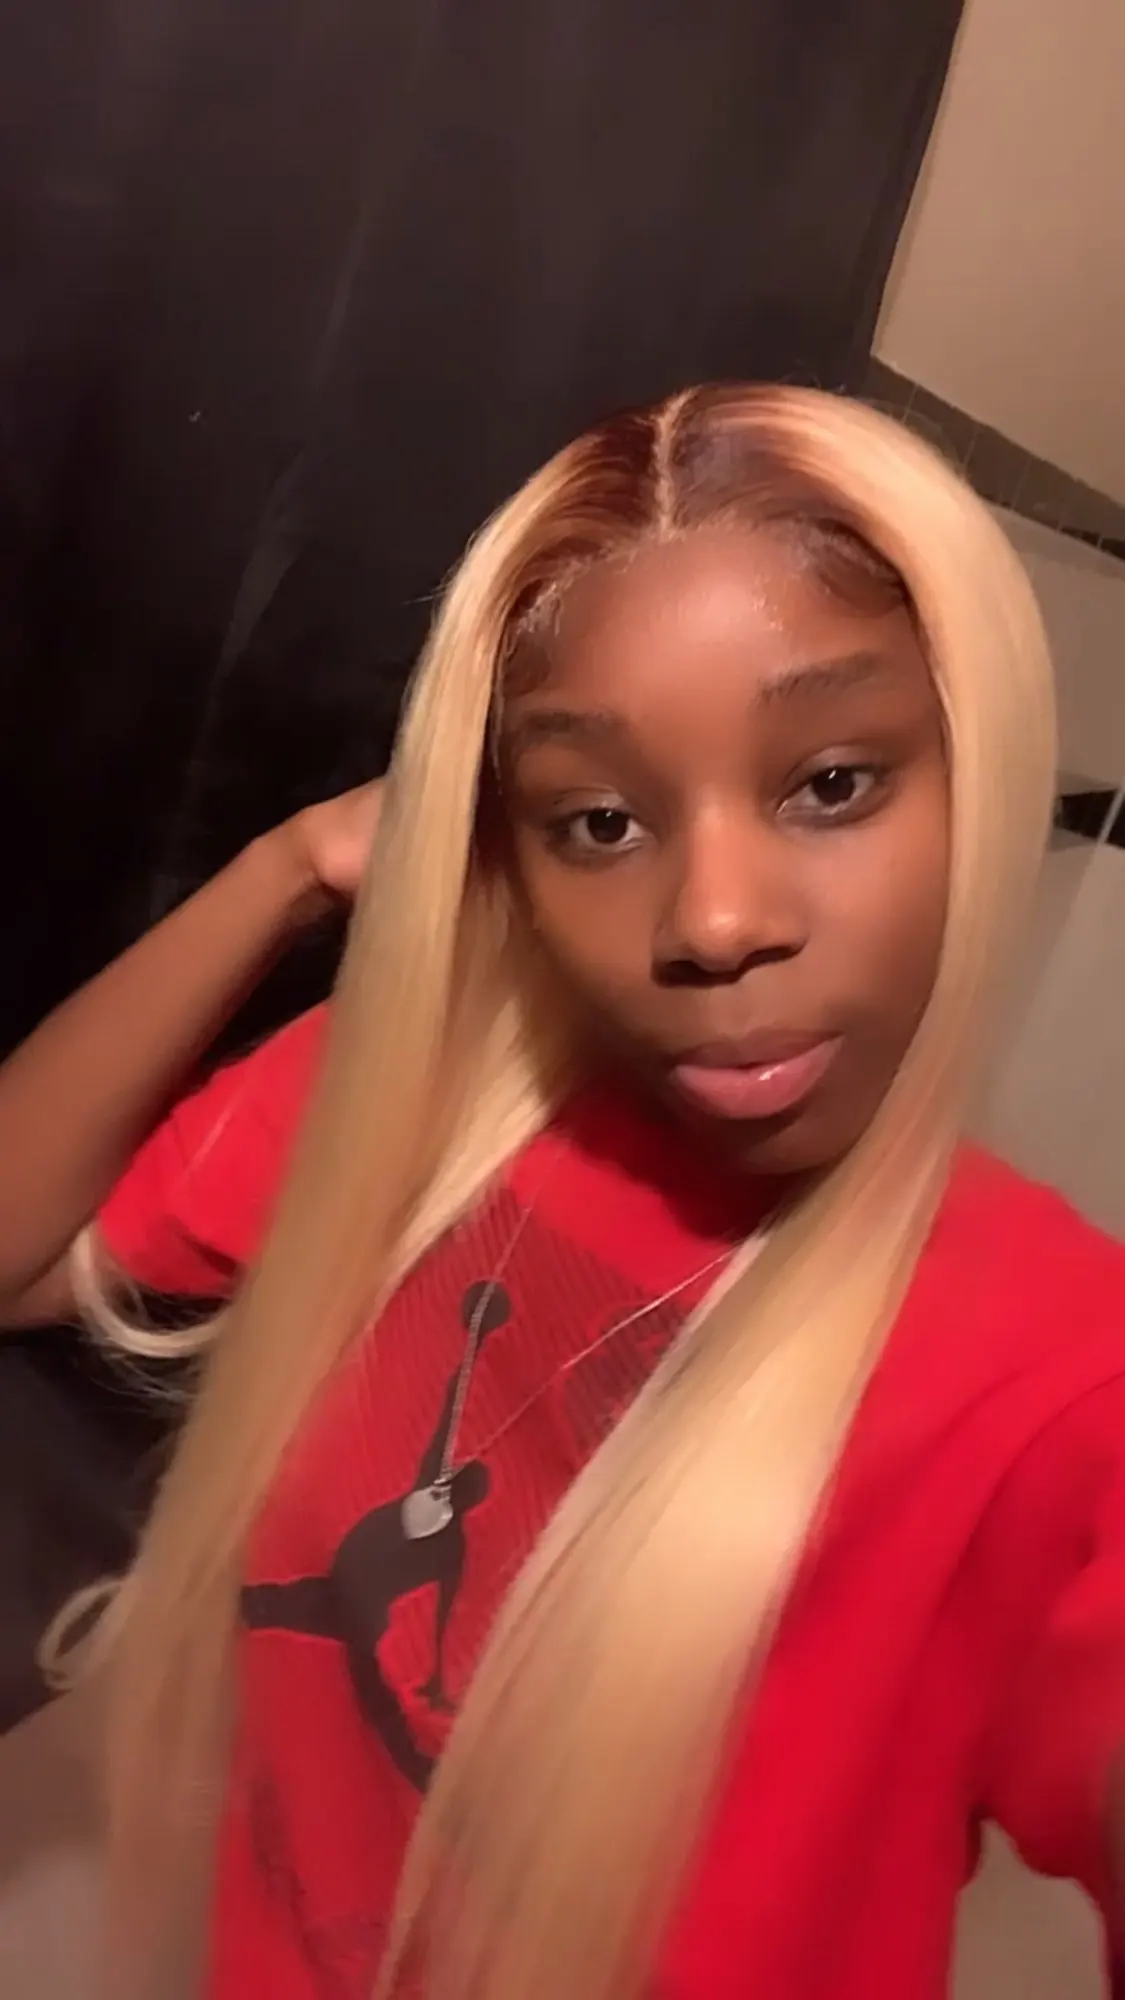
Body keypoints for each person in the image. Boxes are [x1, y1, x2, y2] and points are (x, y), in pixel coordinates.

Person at [1, 382, 1123, 2000]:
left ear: (982, 765)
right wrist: (291, 868)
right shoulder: (414, 1109)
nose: (716, 921)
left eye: (832, 783)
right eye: (599, 820)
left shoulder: (1067, 1382)